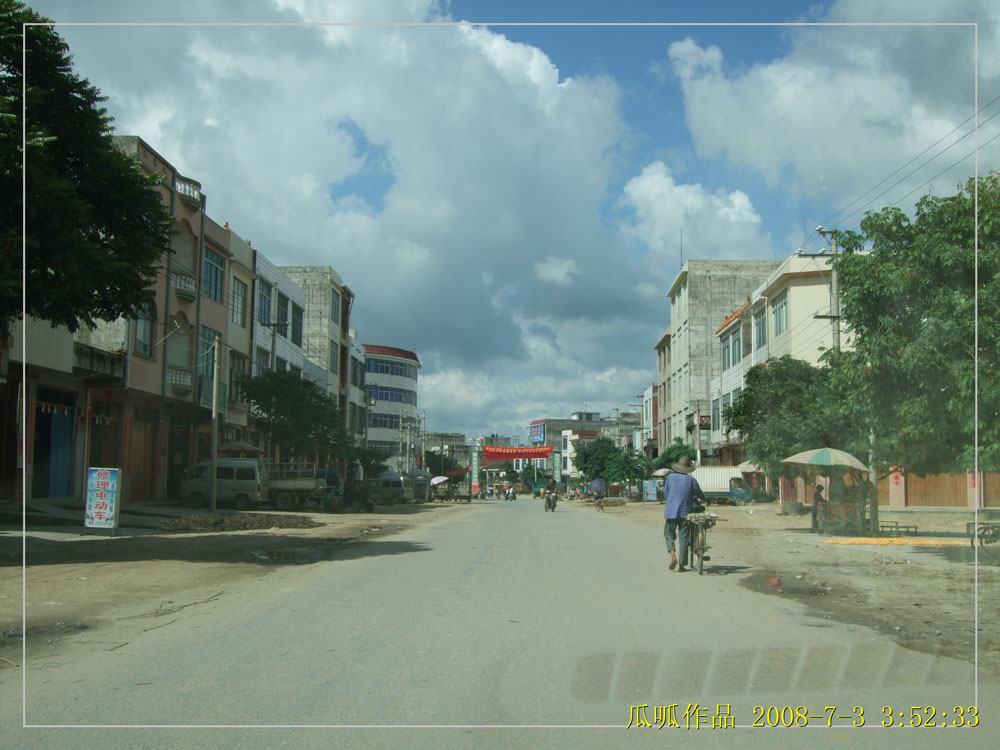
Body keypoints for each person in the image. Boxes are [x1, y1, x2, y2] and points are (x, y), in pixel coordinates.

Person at [663, 456, 707, 572]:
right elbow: (698, 493)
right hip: (685, 512)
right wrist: (707, 500)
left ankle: (673, 555)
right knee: (684, 538)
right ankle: (682, 565)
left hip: (671, 512)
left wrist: (671, 503)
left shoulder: (670, 478)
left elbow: (666, 494)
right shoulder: (691, 480)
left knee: (669, 535)